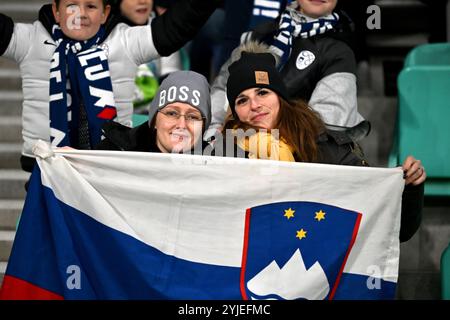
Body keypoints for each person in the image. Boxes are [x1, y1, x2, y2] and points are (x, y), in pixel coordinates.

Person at [219, 50, 426, 242]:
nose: (254, 105)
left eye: (263, 92)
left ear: (280, 97)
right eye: (242, 100)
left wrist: (409, 190)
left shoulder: (327, 146)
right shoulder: (222, 157)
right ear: (235, 112)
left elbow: (395, 229)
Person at [0, 0, 218, 173]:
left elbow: (178, 26)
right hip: (45, 168)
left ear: (105, 13)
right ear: (56, 11)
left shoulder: (124, 40)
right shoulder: (29, 40)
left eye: (91, 6)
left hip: (109, 169)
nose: (81, 14)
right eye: (71, 6)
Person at [206, 0, 369, 142]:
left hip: (297, 159)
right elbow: (221, 92)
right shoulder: (261, 35)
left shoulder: (341, 50)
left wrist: (260, 139)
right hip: (238, 148)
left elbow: (328, 125)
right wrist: (214, 137)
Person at [95, 70, 211, 153]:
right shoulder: (112, 153)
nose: (181, 125)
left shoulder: (217, 167)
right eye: (172, 113)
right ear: (154, 120)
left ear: (203, 127)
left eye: (193, 117)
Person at [109, 0, 184, 112]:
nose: (142, 1)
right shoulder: (104, 35)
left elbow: (172, 80)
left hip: (153, 114)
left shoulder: (162, 27)